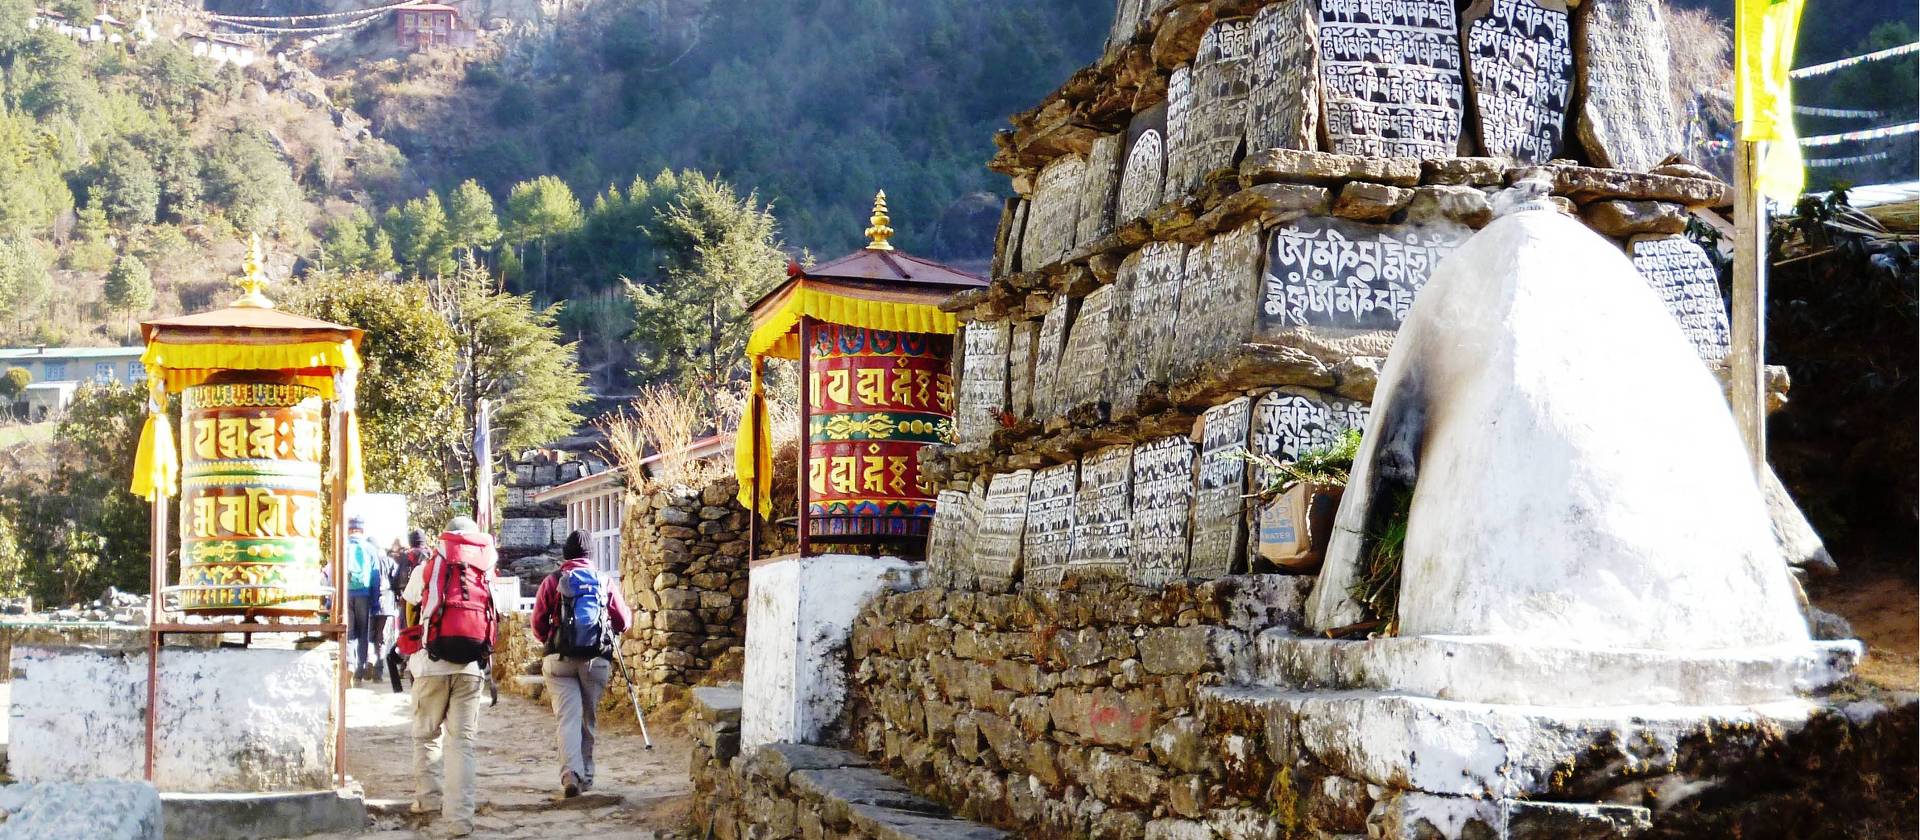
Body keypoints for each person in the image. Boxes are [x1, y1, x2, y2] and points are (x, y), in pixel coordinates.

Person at [402, 516, 498, 837]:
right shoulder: (484, 570)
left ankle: (429, 802)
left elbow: (410, 604)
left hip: (431, 663)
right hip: (471, 667)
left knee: (427, 735)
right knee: (462, 744)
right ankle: (460, 820)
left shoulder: (428, 568)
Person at [531, 530, 632, 798]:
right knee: (588, 719)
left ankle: (569, 775)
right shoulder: (603, 581)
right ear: (590, 555)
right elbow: (624, 621)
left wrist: (554, 641)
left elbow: (537, 625)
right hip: (595, 660)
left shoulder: (553, 581)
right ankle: (586, 776)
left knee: (567, 718)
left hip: (558, 661)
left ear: (565, 554)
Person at [345, 516, 390, 684]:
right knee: (363, 634)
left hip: (346, 594)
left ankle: (349, 664)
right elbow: (375, 576)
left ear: (349, 529)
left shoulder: (343, 546)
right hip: (363, 595)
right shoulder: (370, 549)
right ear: (362, 530)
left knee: (348, 633)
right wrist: (375, 600)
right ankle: (360, 669)